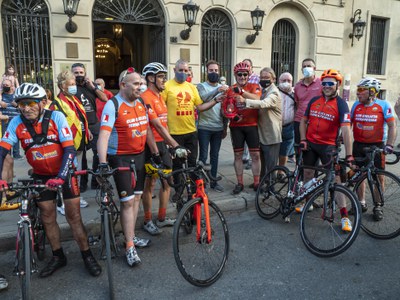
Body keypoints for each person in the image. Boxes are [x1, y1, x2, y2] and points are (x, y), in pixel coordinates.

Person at [0, 83, 102, 277]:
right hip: (40, 175)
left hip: (64, 172)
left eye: (30, 103)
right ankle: (58, 255)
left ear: (43, 102)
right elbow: (2, 151)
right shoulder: (16, 123)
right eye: (21, 104)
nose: (26, 108)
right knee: (48, 216)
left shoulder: (56, 117)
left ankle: (87, 255)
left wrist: (61, 176)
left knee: (74, 217)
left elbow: (70, 150)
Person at [97, 68, 160, 266]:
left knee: (137, 199)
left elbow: (149, 127)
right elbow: (104, 136)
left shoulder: (141, 101)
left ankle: (129, 238)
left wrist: (156, 152)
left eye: (141, 83)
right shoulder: (112, 104)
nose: (140, 87)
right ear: (123, 85)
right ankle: (130, 246)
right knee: (127, 202)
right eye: (136, 83)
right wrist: (102, 163)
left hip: (140, 156)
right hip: (121, 159)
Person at [299, 69, 354, 232]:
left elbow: (346, 131)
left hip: (328, 146)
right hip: (311, 143)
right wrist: (303, 139)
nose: (327, 86)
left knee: (337, 180)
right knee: (307, 173)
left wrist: (349, 154)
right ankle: (305, 201)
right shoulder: (314, 100)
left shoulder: (341, 104)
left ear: (338, 85)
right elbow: (303, 120)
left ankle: (344, 217)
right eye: (324, 83)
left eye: (331, 83)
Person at [162, 59, 222, 195]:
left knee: (192, 163)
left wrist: (215, 101)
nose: (183, 73)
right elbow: (161, 109)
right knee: (177, 165)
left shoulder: (191, 87)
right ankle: (178, 190)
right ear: (174, 70)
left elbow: (200, 107)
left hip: (191, 131)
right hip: (174, 134)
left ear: (189, 71)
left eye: (186, 70)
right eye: (180, 70)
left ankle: (194, 191)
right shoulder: (167, 86)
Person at [140, 62, 187, 235]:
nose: (164, 80)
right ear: (151, 78)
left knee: (167, 182)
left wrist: (169, 144)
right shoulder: (145, 97)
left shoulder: (159, 96)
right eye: (161, 77)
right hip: (151, 146)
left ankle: (161, 217)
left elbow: (164, 125)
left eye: (164, 77)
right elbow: (157, 126)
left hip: (163, 144)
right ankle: (146, 220)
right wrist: (175, 144)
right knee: (150, 184)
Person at [350, 77, 397, 220]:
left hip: (377, 146)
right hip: (358, 145)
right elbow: (348, 125)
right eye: (357, 90)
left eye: (360, 90)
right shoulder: (356, 105)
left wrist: (389, 144)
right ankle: (361, 202)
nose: (358, 93)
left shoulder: (383, 105)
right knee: (358, 174)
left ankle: (378, 205)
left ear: (372, 92)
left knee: (379, 177)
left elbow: (392, 126)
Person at [51, 70, 91, 213]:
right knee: (66, 172)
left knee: (76, 172)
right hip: (67, 145)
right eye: (71, 84)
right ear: (63, 86)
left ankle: (75, 197)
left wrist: (88, 130)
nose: (74, 86)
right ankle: (61, 203)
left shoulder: (74, 99)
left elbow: (80, 117)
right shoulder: (57, 103)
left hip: (79, 142)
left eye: (74, 83)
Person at [236, 67, 282, 179]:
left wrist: (245, 100)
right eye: (261, 77)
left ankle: (270, 187)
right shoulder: (264, 90)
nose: (263, 79)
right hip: (261, 133)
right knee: (262, 162)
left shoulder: (274, 93)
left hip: (271, 135)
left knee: (271, 166)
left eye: (267, 77)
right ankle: (261, 183)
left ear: (274, 79)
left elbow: (263, 103)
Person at [225, 62, 262, 194]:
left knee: (255, 155)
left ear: (249, 75)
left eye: (245, 74)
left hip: (252, 125)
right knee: (238, 155)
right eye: (239, 74)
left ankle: (257, 182)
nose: (242, 76)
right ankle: (240, 183)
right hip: (236, 127)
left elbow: (258, 99)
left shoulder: (254, 86)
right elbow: (225, 109)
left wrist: (243, 93)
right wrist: (232, 116)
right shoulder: (230, 89)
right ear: (235, 75)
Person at [71, 63, 107, 191]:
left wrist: (92, 86)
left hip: (94, 124)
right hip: (79, 126)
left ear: (85, 73)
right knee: (82, 156)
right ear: (72, 74)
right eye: (76, 73)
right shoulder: (70, 87)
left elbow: (104, 98)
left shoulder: (92, 85)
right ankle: (83, 183)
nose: (79, 75)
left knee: (99, 153)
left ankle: (96, 181)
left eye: (81, 72)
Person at [197, 60, 229, 192]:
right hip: (204, 127)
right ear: (206, 71)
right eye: (211, 70)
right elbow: (204, 99)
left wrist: (225, 127)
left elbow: (226, 109)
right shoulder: (201, 86)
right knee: (203, 157)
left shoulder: (224, 88)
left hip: (218, 128)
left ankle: (214, 182)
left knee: (215, 155)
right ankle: (201, 183)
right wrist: (217, 90)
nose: (214, 73)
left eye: (216, 71)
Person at [294, 58, 322, 148]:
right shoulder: (297, 86)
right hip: (299, 121)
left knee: (313, 149)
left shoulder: (321, 84)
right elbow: (297, 103)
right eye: (304, 67)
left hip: (315, 122)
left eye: (309, 66)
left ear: (314, 68)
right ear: (302, 70)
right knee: (299, 148)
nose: (306, 68)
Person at [278, 72, 295, 170]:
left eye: (289, 81)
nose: (286, 82)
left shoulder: (295, 94)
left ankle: (281, 171)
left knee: (285, 151)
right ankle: (273, 172)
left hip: (289, 126)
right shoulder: (274, 92)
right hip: (276, 127)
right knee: (274, 151)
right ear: (279, 81)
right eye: (283, 80)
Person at [0, 79, 21, 159]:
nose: (5, 87)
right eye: (4, 85)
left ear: (11, 85)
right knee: (6, 137)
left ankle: (16, 154)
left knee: (15, 137)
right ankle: (7, 155)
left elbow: (23, 108)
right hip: (5, 119)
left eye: (7, 85)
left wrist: (15, 105)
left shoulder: (16, 95)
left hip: (15, 119)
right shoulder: (1, 96)